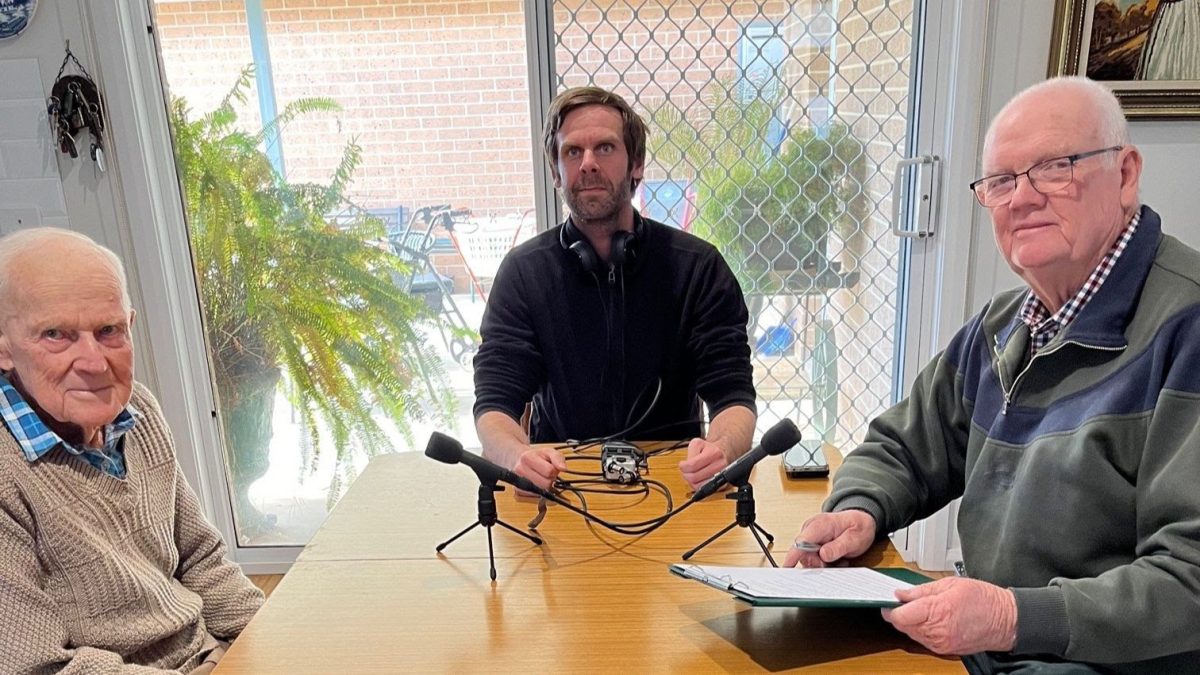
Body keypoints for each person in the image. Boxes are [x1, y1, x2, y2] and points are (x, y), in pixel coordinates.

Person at [784, 76, 1200, 673]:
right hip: (996, 648)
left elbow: (1190, 579)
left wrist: (1011, 617)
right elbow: (903, 445)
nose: (1021, 199)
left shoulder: (1186, 326)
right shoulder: (1006, 323)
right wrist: (860, 508)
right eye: (1001, 181)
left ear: (1126, 173)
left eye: (1055, 167)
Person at [0, 228, 264, 673]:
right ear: (3, 349)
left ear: (131, 325)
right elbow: (37, 668)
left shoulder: (136, 407)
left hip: (207, 653)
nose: (93, 362)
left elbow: (201, 557)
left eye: (108, 331)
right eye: (55, 335)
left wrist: (273, 638)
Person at [473, 86, 757, 492]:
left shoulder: (698, 268)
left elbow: (734, 397)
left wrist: (722, 451)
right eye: (572, 152)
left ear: (636, 164)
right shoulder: (523, 273)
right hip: (562, 485)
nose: (588, 163)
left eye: (604, 148)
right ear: (556, 172)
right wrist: (515, 456)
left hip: (674, 484)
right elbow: (494, 404)